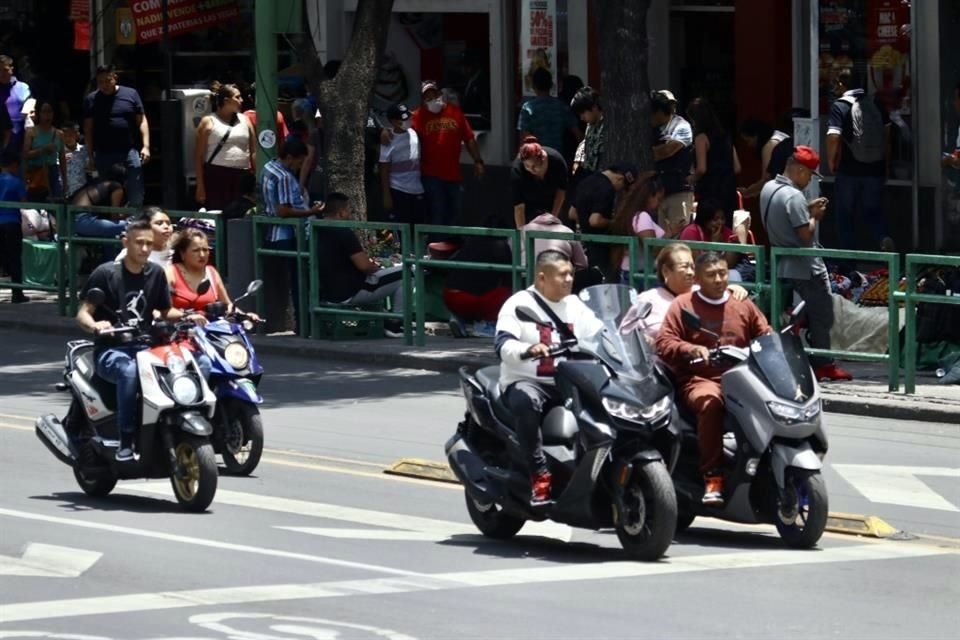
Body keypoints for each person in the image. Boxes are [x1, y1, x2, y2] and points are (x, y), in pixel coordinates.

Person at [656, 251, 771, 505]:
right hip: (700, 379)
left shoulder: (743, 304)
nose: (719, 279)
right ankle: (713, 476)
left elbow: (766, 335)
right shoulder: (683, 305)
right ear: (697, 278)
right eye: (711, 275)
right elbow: (664, 342)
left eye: (722, 273)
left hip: (743, 378)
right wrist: (691, 349)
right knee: (710, 403)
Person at [495, 250, 603, 505]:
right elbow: (502, 344)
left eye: (571, 274)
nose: (568, 280)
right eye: (562, 275)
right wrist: (527, 349)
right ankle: (539, 475)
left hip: (571, 381)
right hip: (530, 381)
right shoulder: (519, 304)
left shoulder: (576, 305)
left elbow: (601, 334)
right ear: (542, 278)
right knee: (525, 402)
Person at [76, 217, 173, 461]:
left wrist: (194, 317)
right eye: (139, 243)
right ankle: (125, 441)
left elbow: (164, 310)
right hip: (112, 351)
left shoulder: (157, 273)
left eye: (149, 244)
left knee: (187, 364)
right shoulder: (106, 273)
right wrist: (96, 325)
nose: (144, 249)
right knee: (129, 372)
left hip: (147, 349)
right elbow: (83, 313)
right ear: (125, 242)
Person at [761, 145, 852, 381]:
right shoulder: (793, 196)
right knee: (823, 314)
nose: (809, 180)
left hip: (782, 263)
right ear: (800, 170)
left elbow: (787, 218)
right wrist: (814, 215)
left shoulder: (769, 188)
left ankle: (800, 334)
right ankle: (824, 363)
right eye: (810, 175)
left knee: (805, 311)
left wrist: (806, 209)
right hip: (805, 266)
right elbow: (805, 234)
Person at [315, 192, 404, 337]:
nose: (350, 214)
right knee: (407, 273)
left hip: (328, 291)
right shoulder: (344, 233)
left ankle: (387, 319)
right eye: (350, 211)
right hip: (351, 290)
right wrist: (378, 267)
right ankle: (397, 323)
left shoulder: (316, 230)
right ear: (342, 213)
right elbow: (364, 266)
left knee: (388, 276)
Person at [261, 138, 325, 332]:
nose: (299, 165)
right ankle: (304, 324)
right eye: (298, 161)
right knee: (300, 280)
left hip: (273, 234)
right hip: (288, 235)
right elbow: (283, 210)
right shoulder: (284, 177)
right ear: (290, 157)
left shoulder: (269, 167)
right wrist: (311, 212)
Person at [622, 243, 748, 341]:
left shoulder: (702, 292)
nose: (690, 272)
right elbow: (625, 336)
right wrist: (644, 342)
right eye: (684, 267)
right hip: (659, 367)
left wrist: (734, 289)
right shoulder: (647, 299)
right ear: (666, 271)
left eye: (692, 267)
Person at [826, 68, 891, 251]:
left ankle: (848, 261)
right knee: (874, 211)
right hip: (875, 169)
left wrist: (831, 161)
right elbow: (887, 138)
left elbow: (833, 137)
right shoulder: (876, 104)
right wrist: (885, 165)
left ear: (841, 84)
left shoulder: (840, 106)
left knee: (845, 216)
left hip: (848, 170)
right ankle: (883, 239)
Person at [412, 80, 485, 228]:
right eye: (427, 97)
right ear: (423, 100)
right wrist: (387, 132)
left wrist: (478, 161)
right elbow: (400, 125)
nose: (432, 99)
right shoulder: (418, 116)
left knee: (455, 213)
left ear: (440, 94)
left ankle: (453, 246)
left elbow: (469, 138)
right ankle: (436, 245)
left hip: (453, 175)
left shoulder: (455, 112)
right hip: (431, 175)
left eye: (434, 95)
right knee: (438, 213)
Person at [82, 64, 149, 207]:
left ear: (115, 78)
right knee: (105, 192)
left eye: (107, 81)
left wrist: (146, 146)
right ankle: (110, 222)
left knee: (136, 190)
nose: (104, 85)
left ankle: (135, 221)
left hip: (129, 149)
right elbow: (88, 129)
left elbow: (142, 120)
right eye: (100, 82)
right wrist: (90, 155)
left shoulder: (131, 94)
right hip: (103, 152)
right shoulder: (91, 99)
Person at [444, 219, 514, 338]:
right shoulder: (501, 247)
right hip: (472, 300)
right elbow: (509, 279)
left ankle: (462, 320)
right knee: (509, 292)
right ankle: (487, 325)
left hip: (449, 296)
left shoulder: (469, 242)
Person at [568, 162, 637, 282]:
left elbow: (572, 213)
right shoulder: (607, 189)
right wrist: (613, 222)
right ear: (620, 179)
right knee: (609, 281)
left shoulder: (585, 181)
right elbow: (595, 220)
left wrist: (584, 219)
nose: (619, 190)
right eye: (622, 187)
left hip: (585, 243)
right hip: (601, 245)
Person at [194, 83, 254, 211]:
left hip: (242, 176)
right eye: (238, 97)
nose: (241, 100)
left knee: (242, 215)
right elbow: (198, 156)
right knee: (218, 213)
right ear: (226, 101)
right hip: (217, 175)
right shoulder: (208, 121)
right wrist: (200, 186)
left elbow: (254, 152)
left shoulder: (245, 120)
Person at [687, 97, 740, 224]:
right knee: (725, 227)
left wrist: (690, 179)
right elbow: (737, 167)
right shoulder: (726, 136)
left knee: (707, 227)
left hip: (710, 192)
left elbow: (701, 168)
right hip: (728, 190)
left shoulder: (701, 138)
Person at [650, 90, 695, 238]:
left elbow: (667, 151)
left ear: (659, 111)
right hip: (658, 192)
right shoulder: (651, 129)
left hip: (678, 191)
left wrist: (648, 152)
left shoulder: (681, 126)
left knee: (677, 238)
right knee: (660, 239)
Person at [609, 175, 665, 284]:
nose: (659, 204)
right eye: (658, 199)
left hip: (633, 271)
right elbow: (651, 248)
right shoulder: (642, 217)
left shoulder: (632, 215)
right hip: (641, 275)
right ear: (649, 196)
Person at [379, 102, 425, 228]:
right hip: (398, 189)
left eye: (408, 118)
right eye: (403, 119)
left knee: (418, 226)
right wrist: (386, 195)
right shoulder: (388, 139)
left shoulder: (414, 132)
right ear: (394, 122)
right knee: (401, 227)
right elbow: (384, 169)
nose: (408, 121)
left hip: (417, 188)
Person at [516, 68, 582, 154]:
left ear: (533, 86)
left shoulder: (527, 108)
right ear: (551, 85)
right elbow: (578, 135)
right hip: (557, 156)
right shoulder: (561, 107)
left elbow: (524, 139)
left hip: (537, 158)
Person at [70, 165, 127, 261]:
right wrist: (124, 215)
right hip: (82, 221)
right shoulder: (116, 187)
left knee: (109, 235)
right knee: (131, 225)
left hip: (70, 223)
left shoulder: (99, 184)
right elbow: (114, 214)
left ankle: (110, 262)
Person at [511, 137, 568, 228]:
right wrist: (522, 235)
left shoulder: (557, 162)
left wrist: (552, 218)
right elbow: (519, 208)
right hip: (528, 207)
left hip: (552, 203)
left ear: (544, 158)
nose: (531, 170)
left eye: (534, 166)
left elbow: (561, 193)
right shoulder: (517, 170)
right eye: (527, 166)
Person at [738, 118, 793, 199]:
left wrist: (748, 191)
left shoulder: (770, 145)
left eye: (748, 141)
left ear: (756, 136)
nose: (748, 145)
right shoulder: (779, 135)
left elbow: (767, 179)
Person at [21, 99, 66, 199]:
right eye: (44, 111)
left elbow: (62, 159)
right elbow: (25, 155)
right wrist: (43, 149)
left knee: (56, 205)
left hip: (53, 172)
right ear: (39, 113)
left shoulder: (59, 134)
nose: (47, 115)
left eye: (50, 111)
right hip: (36, 172)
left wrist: (65, 181)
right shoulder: (31, 132)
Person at [0, 148, 27, 303]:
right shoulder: (17, 182)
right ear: (15, 165)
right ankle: (17, 294)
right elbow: (24, 203)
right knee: (15, 258)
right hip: (12, 223)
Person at [569, 86, 606, 177]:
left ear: (593, 108)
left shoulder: (608, 127)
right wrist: (577, 160)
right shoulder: (590, 125)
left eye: (583, 113)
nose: (582, 118)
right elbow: (585, 142)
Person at [0, 54, 31, 155]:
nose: (1, 74)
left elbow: (30, 107)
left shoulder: (22, 87)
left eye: (4, 70)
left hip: (21, 137)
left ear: (11, 69)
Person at [61, 120, 90, 199]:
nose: (68, 138)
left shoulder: (85, 151)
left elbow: (90, 169)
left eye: (71, 135)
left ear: (77, 134)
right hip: (62, 192)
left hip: (81, 193)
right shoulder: (58, 152)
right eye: (65, 135)